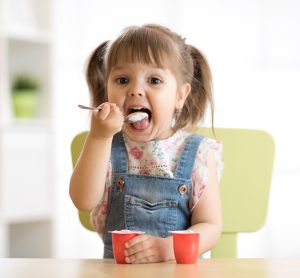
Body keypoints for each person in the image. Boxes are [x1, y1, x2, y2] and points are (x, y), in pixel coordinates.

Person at [69, 24, 223, 263]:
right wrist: (98, 137)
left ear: (180, 96)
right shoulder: (105, 147)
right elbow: (83, 200)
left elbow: (211, 226)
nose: (135, 90)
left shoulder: (198, 154)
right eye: (122, 79)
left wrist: (168, 248)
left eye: (154, 80)